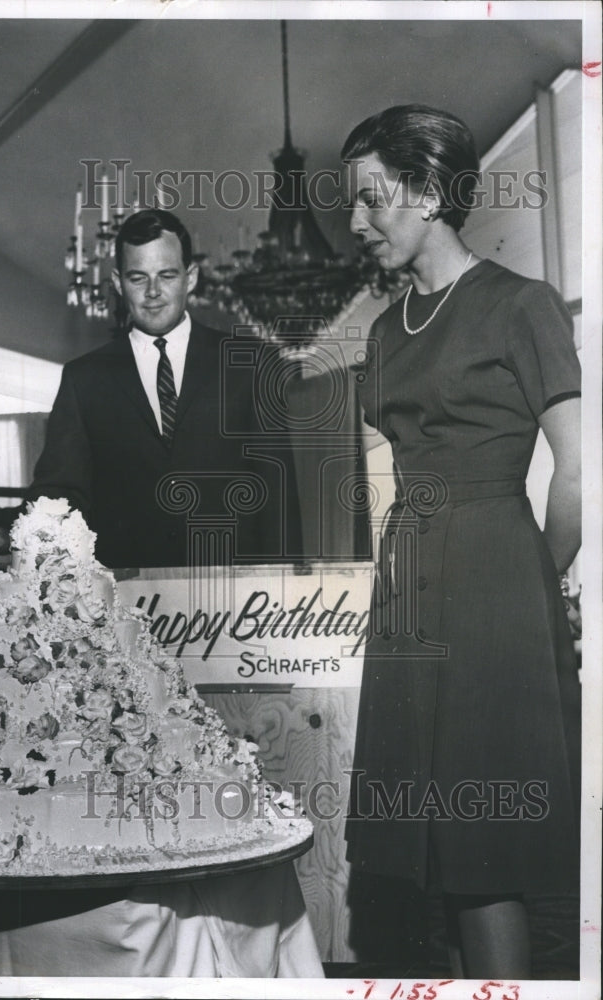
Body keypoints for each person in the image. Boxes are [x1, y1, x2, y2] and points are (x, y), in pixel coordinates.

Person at [341, 105, 581, 979]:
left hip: (493, 584)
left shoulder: (521, 306)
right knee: (421, 848)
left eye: (373, 199)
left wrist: (527, 589)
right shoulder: (380, 331)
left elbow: (577, 476)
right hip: (408, 587)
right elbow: (380, 480)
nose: (357, 223)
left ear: (431, 192)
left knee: (484, 852)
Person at [0, 209, 298, 567]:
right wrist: (10, 529)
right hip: (125, 605)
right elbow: (61, 491)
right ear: (117, 282)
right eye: (138, 277)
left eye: (167, 275)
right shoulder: (85, 379)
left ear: (191, 278)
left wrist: (289, 599)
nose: (153, 292)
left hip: (234, 604)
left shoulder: (252, 365)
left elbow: (279, 499)